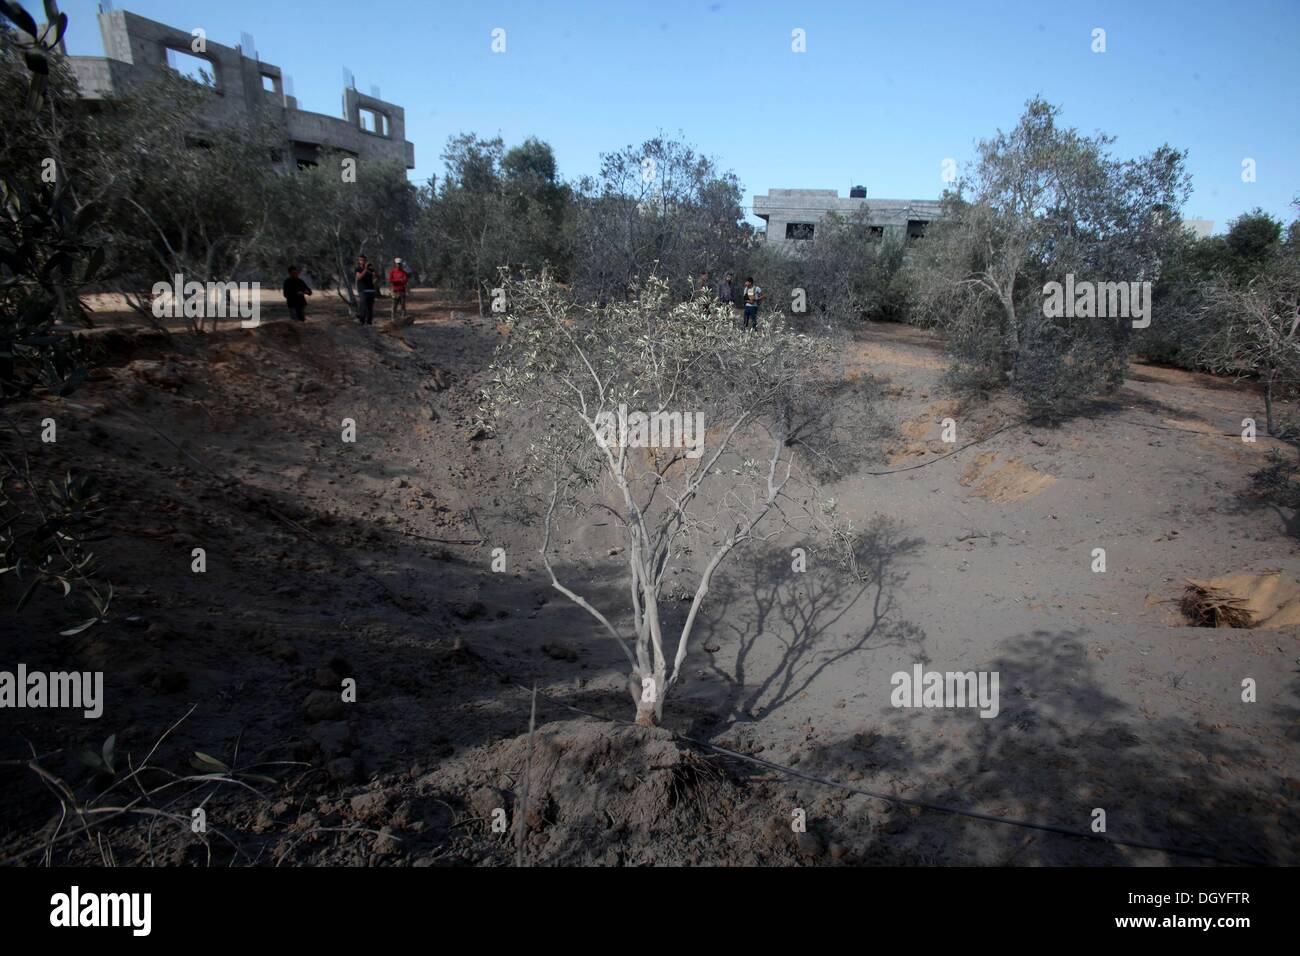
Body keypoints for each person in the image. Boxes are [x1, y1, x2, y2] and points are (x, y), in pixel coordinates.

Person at [355, 255, 378, 325]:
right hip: (362, 290)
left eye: (364, 260)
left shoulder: (370, 269)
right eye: (361, 260)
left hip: (371, 290)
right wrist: (365, 269)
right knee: (363, 306)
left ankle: (369, 322)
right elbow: (359, 277)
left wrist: (374, 270)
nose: (363, 262)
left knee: (370, 308)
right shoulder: (358, 269)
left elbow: (377, 277)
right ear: (359, 261)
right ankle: (361, 321)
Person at [388, 257, 411, 324]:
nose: (398, 265)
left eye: (400, 264)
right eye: (397, 264)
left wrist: (399, 281)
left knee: (403, 305)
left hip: (402, 291)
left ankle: (403, 318)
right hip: (395, 291)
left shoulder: (404, 272)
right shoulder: (392, 272)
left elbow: (405, 280)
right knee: (394, 305)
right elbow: (390, 280)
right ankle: (393, 318)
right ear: (395, 264)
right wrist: (399, 280)